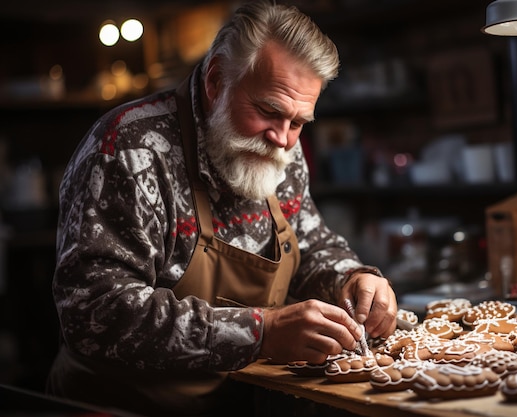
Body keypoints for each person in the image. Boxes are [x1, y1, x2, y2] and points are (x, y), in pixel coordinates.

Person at [46, 1, 397, 415]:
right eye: (269, 110)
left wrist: (351, 279)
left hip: (235, 401)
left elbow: (312, 246)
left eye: (299, 122)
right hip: (121, 405)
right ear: (216, 81)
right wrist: (259, 333)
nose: (284, 140)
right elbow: (95, 313)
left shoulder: (280, 147)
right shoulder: (129, 149)